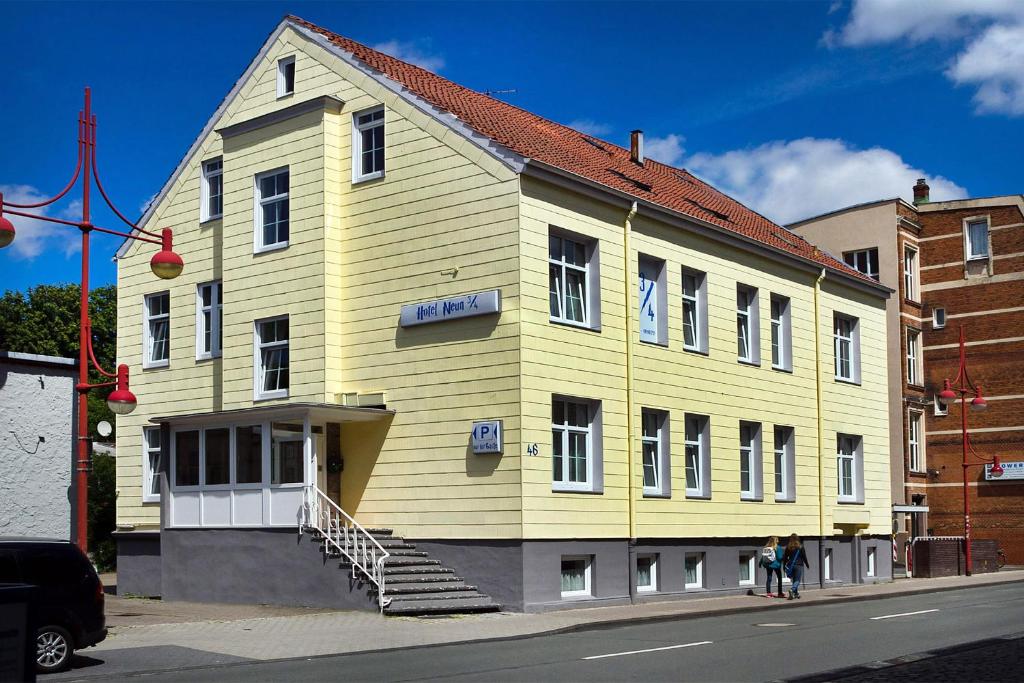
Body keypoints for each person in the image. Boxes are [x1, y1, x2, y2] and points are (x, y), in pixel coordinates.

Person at [782, 533, 810, 599]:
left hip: (791, 565)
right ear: (798, 539)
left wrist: (784, 566)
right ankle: (792, 589)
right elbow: (804, 557)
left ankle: (796, 593)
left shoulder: (788, 547)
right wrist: (807, 564)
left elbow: (785, 557)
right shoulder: (800, 546)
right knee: (797, 580)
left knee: (794, 580)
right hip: (799, 565)